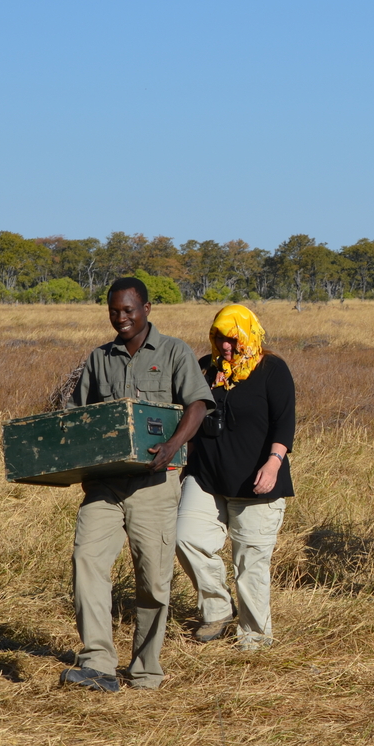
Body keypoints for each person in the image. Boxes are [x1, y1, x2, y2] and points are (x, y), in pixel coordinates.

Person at [61, 277, 213, 693]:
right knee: (87, 560)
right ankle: (98, 663)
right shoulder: (99, 358)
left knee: (153, 580)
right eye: (114, 311)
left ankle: (146, 670)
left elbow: (197, 404)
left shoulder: (174, 352)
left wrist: (173, 445)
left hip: (155, 486)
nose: (121, 318)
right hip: (105, 486)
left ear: (148, 308)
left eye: (128, 310)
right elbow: (78, 418)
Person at [176, 305, 296, 651]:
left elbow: (284, 423)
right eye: (218, 338)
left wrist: (273, 463)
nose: (225, 346)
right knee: (185, 537)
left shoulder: (273, 370)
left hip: (256, 485)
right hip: (207, 477)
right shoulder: (205, 368)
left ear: (247, 336)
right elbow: (189, 415)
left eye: (232, 339)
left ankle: (255, 641)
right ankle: (217, 608)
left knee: (250, 568)